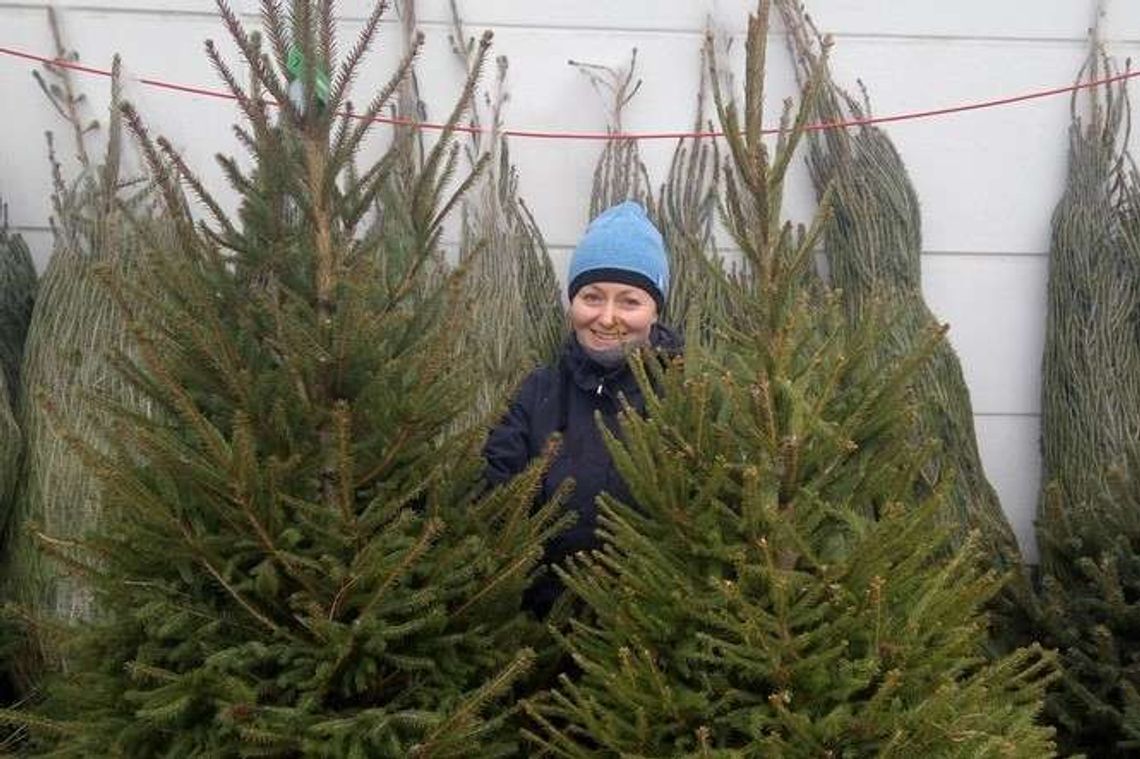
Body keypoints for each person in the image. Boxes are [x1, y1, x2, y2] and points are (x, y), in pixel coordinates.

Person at [483, 200, 682, 615]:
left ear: (654, 311)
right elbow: (490, 496)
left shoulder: (685, 396)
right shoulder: (537, 393)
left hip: (652, 628)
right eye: (591, 297)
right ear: (573, 303)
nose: (607, 318)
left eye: (629, 301)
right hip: (540, 626)